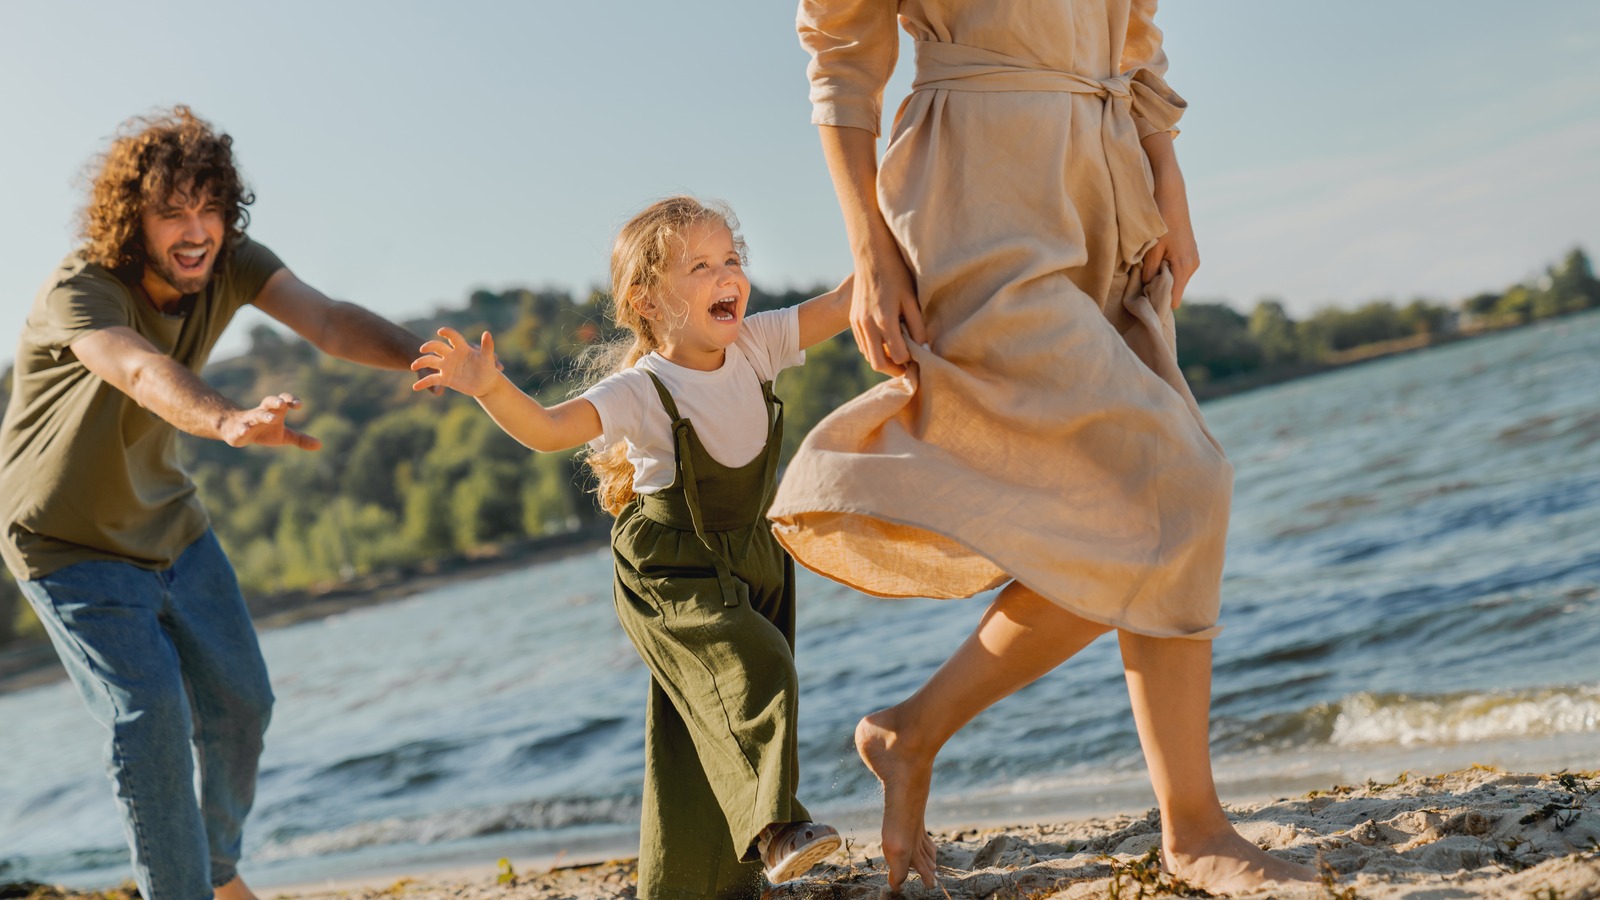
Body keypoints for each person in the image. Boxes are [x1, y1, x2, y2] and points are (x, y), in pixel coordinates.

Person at [768, 1, 1322, 894]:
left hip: (1106, 181)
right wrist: (867, 246)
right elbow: (840, 51)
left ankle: (915, 732)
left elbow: (1132, 27)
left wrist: (1164, 168)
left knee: (1151, 509)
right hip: (974, 190)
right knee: (1180, 485)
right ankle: (1192, 832)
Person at [0, 106, 435, 900]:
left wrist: (431, 359)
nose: (196, 230)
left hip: (169, 525)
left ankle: (217, 869)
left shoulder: (231, 262)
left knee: (243, 703)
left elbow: (330, 321)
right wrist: (228, 420)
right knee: (150, 717)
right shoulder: (79, 289)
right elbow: (137, 371)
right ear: (130, 221)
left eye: (209, 207)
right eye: (172, 212)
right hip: (65, 544)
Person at [412, 196, 852, 899]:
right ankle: (777, 829)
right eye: (701, 265)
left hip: (752, 558)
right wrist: (490, 387)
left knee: (700, 728)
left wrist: (905, 233)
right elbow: (552, 429)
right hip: (672, 574)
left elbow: (846, 301)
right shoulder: (643, 390)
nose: (726, 275)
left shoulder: (759, 344)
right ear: (646, 300)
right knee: (756, 670)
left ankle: (691, 886)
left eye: (732, 259)